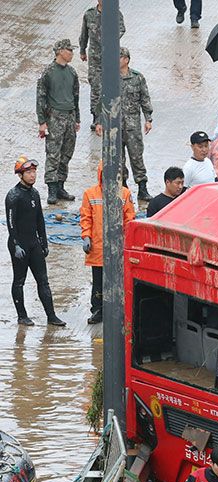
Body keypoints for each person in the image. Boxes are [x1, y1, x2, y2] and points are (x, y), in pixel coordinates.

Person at [6, 157, 65, 327]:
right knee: (19, 280)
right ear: (20, 175)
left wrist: (44, 243)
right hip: (19, 245)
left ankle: (52, 316)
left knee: (43, 281)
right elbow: (11, 223)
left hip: (34, 244)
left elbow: (40, 220)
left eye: (34, 172)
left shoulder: (35, 193)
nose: (32, 175)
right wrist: (16, 244)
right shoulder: (13, 196)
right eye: (28, 172)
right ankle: (22, 316)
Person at [79, 162, 135, 324]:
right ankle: (98, 310)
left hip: (117, 248)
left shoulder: (124, 194)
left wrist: (126, 243)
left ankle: (117, 309)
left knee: (118, 281)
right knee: (98, 283)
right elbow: (86, 218)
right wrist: (86, 237)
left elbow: (129, 219)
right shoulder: (90, 194)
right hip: (98, 246)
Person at [102, 47, 153, 202]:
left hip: (132, 126)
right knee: (118, 159)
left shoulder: (137, 78)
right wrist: (99, 121)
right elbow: (102, 100)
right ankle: (123, 189)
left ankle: (142, 188)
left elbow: (145, 99)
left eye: (119, 57)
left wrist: (148, 119)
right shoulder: (110, 77)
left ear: (126, 60)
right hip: (115, 126)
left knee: (136, 156)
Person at [36, 39, 81, 206]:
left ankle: (61, 185)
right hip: (54, 117)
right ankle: (52, 189)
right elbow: (40, 97)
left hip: (69, 116)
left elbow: (76, 96)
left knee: (67, 153)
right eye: (69, 50)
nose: (71, 53)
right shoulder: (48, 72)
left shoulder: (72, 72)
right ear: (60, 51)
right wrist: (42, 122)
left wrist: (76, 118)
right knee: (53, 154)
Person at [79, 0, 126, 126]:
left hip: (110, 56)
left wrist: (111, 38)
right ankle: (97, 117)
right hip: (95, 58)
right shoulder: (89, 14)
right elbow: (84, 34)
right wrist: (82, 50)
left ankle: (112, 113)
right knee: (95, 87)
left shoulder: (115, 13)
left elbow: (122, 29)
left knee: (111, 85)